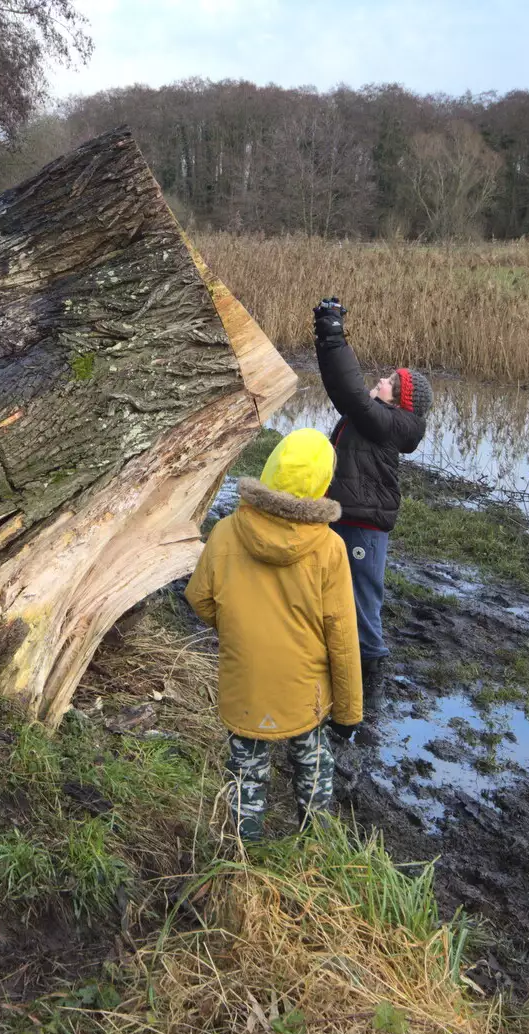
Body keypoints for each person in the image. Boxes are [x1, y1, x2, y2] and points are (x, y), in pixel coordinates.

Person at [185, 428, 364, 842]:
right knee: (314, 760)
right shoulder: (330, 547)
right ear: (323, 482)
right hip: (304, 690)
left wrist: (237, 629)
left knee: (246, 767)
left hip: (244, 681)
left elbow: (198, 598)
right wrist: (349, 712)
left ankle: (242, 849)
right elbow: (342, 636)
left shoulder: (227, 531)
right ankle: (314, 840)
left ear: (270, 468)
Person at [312, 297, 432, 705]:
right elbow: (341, 390)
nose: (380, 381)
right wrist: (326, 341)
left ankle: (370, 666)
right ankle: (338, 653)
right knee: (333, 582)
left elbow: (350, 393)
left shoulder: (389, 422)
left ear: (399, 401)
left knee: (363, 591)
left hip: (365, 518)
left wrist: (334, 334)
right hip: (348, 510)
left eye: (388, 383)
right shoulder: (375, 414)